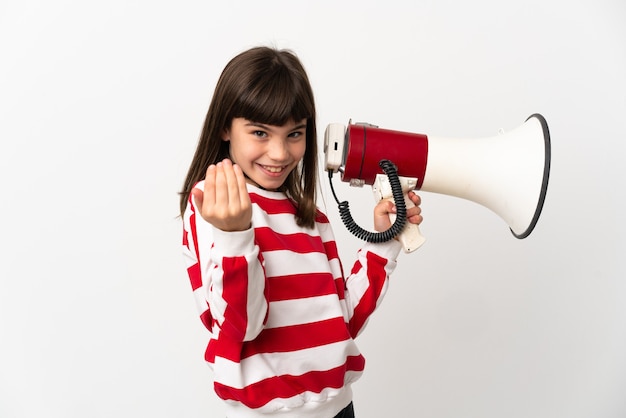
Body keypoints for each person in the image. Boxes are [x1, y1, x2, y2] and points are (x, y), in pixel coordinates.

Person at [179, 46, 423, 418]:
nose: (279, 153)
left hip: (340, 407)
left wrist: (384, 242)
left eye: (294, 134)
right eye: (260, 132)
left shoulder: (311, 217)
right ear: (225, 127)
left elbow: (343, 323)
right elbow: (240, 328)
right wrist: (234, 235)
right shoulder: (213, 204)